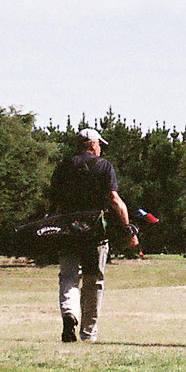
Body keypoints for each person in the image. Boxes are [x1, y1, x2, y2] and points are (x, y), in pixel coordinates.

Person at [47, 127, 139, 342]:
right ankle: (88, 333)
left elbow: (52, 202)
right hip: (95, 233)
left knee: (68, 277)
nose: (100, 149)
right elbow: (114, 199)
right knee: (93, 280)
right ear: (92, 145)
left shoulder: (64, 166)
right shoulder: (104, 166)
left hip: (68, 230)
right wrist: (128, 230)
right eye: (99, 145)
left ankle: (69, 313)